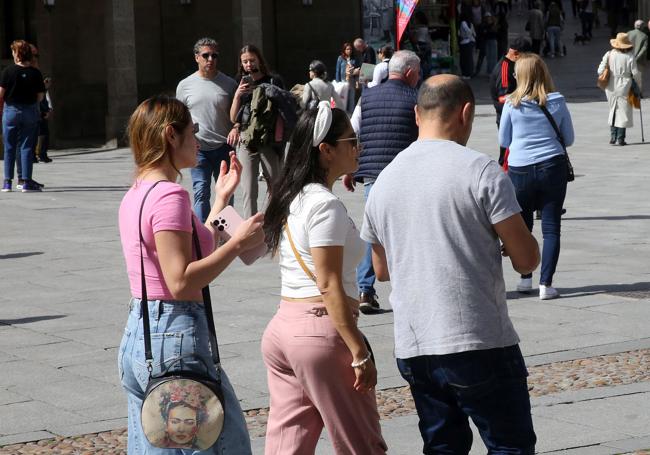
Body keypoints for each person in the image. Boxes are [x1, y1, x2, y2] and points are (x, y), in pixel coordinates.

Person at [361, 74, 539, 454]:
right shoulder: (481, 170)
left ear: (416, 114)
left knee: (443, 447)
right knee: (510, 446)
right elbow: (527, 260)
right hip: (478, 338)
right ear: (466, 112)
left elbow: (382, 271)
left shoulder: (385, 181)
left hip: (416, 344)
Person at [118, 95, 265, 455]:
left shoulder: (137, 193)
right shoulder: (170, 195)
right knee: (225, 442)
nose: (198, 141)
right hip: (175, 334)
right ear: (171, 135)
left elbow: (189, 248)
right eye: (192, 132)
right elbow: (181, 279)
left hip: (141, 331)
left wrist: (220, 202)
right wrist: (238, 243)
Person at [261, 102, 387, 454]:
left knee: (288, 447)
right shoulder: (324, 205)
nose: (358, 147)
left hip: (283, 329)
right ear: (326, 151)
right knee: (361, 444)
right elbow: (328, 283)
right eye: (352, 140)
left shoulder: (292, 196)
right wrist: (358, 350)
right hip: (318, 333)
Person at [347, 50, 420, 314]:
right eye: (419, 73)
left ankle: (365, 290)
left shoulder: (367, 96)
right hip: (406, 176)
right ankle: (411, 288)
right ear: (410, 72)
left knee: (372, 232)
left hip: (373, 175)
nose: (419, 77)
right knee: (409, 232)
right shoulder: (416, 98)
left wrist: (350, 168)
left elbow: (353, 131)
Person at [499, 53, 575, 299]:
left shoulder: (511, 104)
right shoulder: (557, 101)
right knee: (552, 226)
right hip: (552, 165)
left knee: (523, 225)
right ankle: (546, 284)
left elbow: (504, 140)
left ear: (520, 76)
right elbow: (569, 139)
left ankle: (525, 278)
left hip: (520, 168)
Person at [176, 37, 239, 222]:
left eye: (214, 55)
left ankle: (226, 236)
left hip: (224, 147)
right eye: (206, 55)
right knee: (201, 192)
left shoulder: (229, 84)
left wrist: (236, 127)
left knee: (226, 194)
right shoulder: (185, 85)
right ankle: (204, 239)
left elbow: (239, 116)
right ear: (197, 57)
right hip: (197, 149)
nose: (210, 59)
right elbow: (179, 118)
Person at [229, 44, 284, 218]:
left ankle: (271, 222)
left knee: (275, 185)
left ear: (259, 59)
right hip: (247, 140)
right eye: (244, 61)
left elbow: (285, 108)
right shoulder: (240, 83)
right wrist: (238, 94)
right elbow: (232, 118)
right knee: (248, 189)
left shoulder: (274, 80)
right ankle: (250, 228)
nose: (248, 64)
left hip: (269, 140)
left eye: (252, 60)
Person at [0, 40, 45, 193]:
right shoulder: (35, 73)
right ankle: (26, 181)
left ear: (17, 54)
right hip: (29, 112)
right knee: (26, 146)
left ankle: (7, 182)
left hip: (11, 111)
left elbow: (1, 94)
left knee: (9, 147)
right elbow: (40, 96)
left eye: (13, 51)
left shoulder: (8, 71)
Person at [598, 33, 640, 146]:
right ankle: (620, 139)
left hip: (610, 85)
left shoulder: (609, 54)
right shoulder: (630, 56)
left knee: (612, 109)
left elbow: (600, 70)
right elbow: (635, 73)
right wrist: (639, 86)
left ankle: (613, 137)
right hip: (625, 85)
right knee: (623, 111)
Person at [490, 37, 526, 166]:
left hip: (513, 115)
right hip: (508, 118)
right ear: (516, 54)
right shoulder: (504, 68)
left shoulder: (512, 65)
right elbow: (503, 98)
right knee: (507, 155)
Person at [335, 42, 358, 114]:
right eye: (347, 49)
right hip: (343, 81)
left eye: (350, 49)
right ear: (344, 50)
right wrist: (338, 82)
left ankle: (351, 115)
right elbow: (337, 70)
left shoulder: (354, 59)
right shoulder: (340, 58)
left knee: (351, 99)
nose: (349, 51)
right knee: (343, 99)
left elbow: (357, 70)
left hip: (351, 81)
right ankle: (343, 114)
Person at [627, 20, 648, 93]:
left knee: (628, 76)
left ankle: (628, 92)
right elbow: (644, 49)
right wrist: (636, 58)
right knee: (638, 78)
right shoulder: (644, 36)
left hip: (628, 58)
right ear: (642, 27)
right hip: (639, 61)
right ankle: (638, 93)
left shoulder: (628, 33)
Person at [37, 75, 53, 163]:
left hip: (43, 115)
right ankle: (40, 154)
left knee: (44, 135)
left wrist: (49, 111)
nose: (48, 84)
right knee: (41, 135)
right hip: (39, 115)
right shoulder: (40, 90)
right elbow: (39, 102)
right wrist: (44, 113)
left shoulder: (45, 91)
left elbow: (48, 102)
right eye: (47, 81)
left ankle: (42, 154)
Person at [458, 13, 476, 79]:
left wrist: (467, 35)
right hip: (469, 42)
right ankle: (469, 73)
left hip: (465, 42)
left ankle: (466, 73)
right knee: (469, 59)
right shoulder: (470, 23)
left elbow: (467, 31)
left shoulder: (463, 22)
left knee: (464, 59)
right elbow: (473, 33)